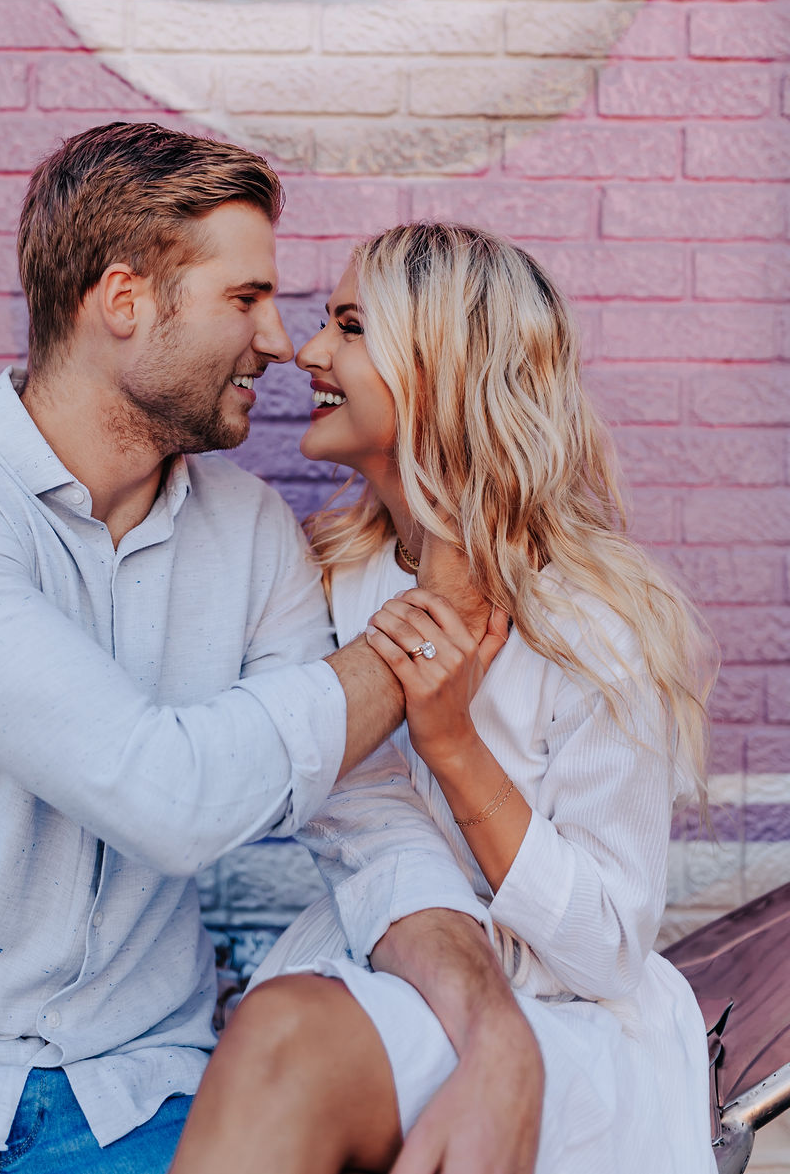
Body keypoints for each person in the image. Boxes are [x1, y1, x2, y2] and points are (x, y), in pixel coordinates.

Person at [0, 128, 538, 1174]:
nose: (277, 339)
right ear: (124, 301)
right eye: (244, 298)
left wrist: (494, 1032)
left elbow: (362, 820)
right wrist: (409, 642)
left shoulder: (251, 530)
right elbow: (161, 793)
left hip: (139, 1103)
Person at [171, 222, 718, 1174]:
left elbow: (606, 950)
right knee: (283, 1030)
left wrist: (454, 742)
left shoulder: (595, 623)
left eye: (349, 325)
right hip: (390, 967)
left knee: (289, 1038)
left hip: (572, 1023)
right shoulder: (330, 582)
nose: (308, 351)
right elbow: (352, 826)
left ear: (441, 368)